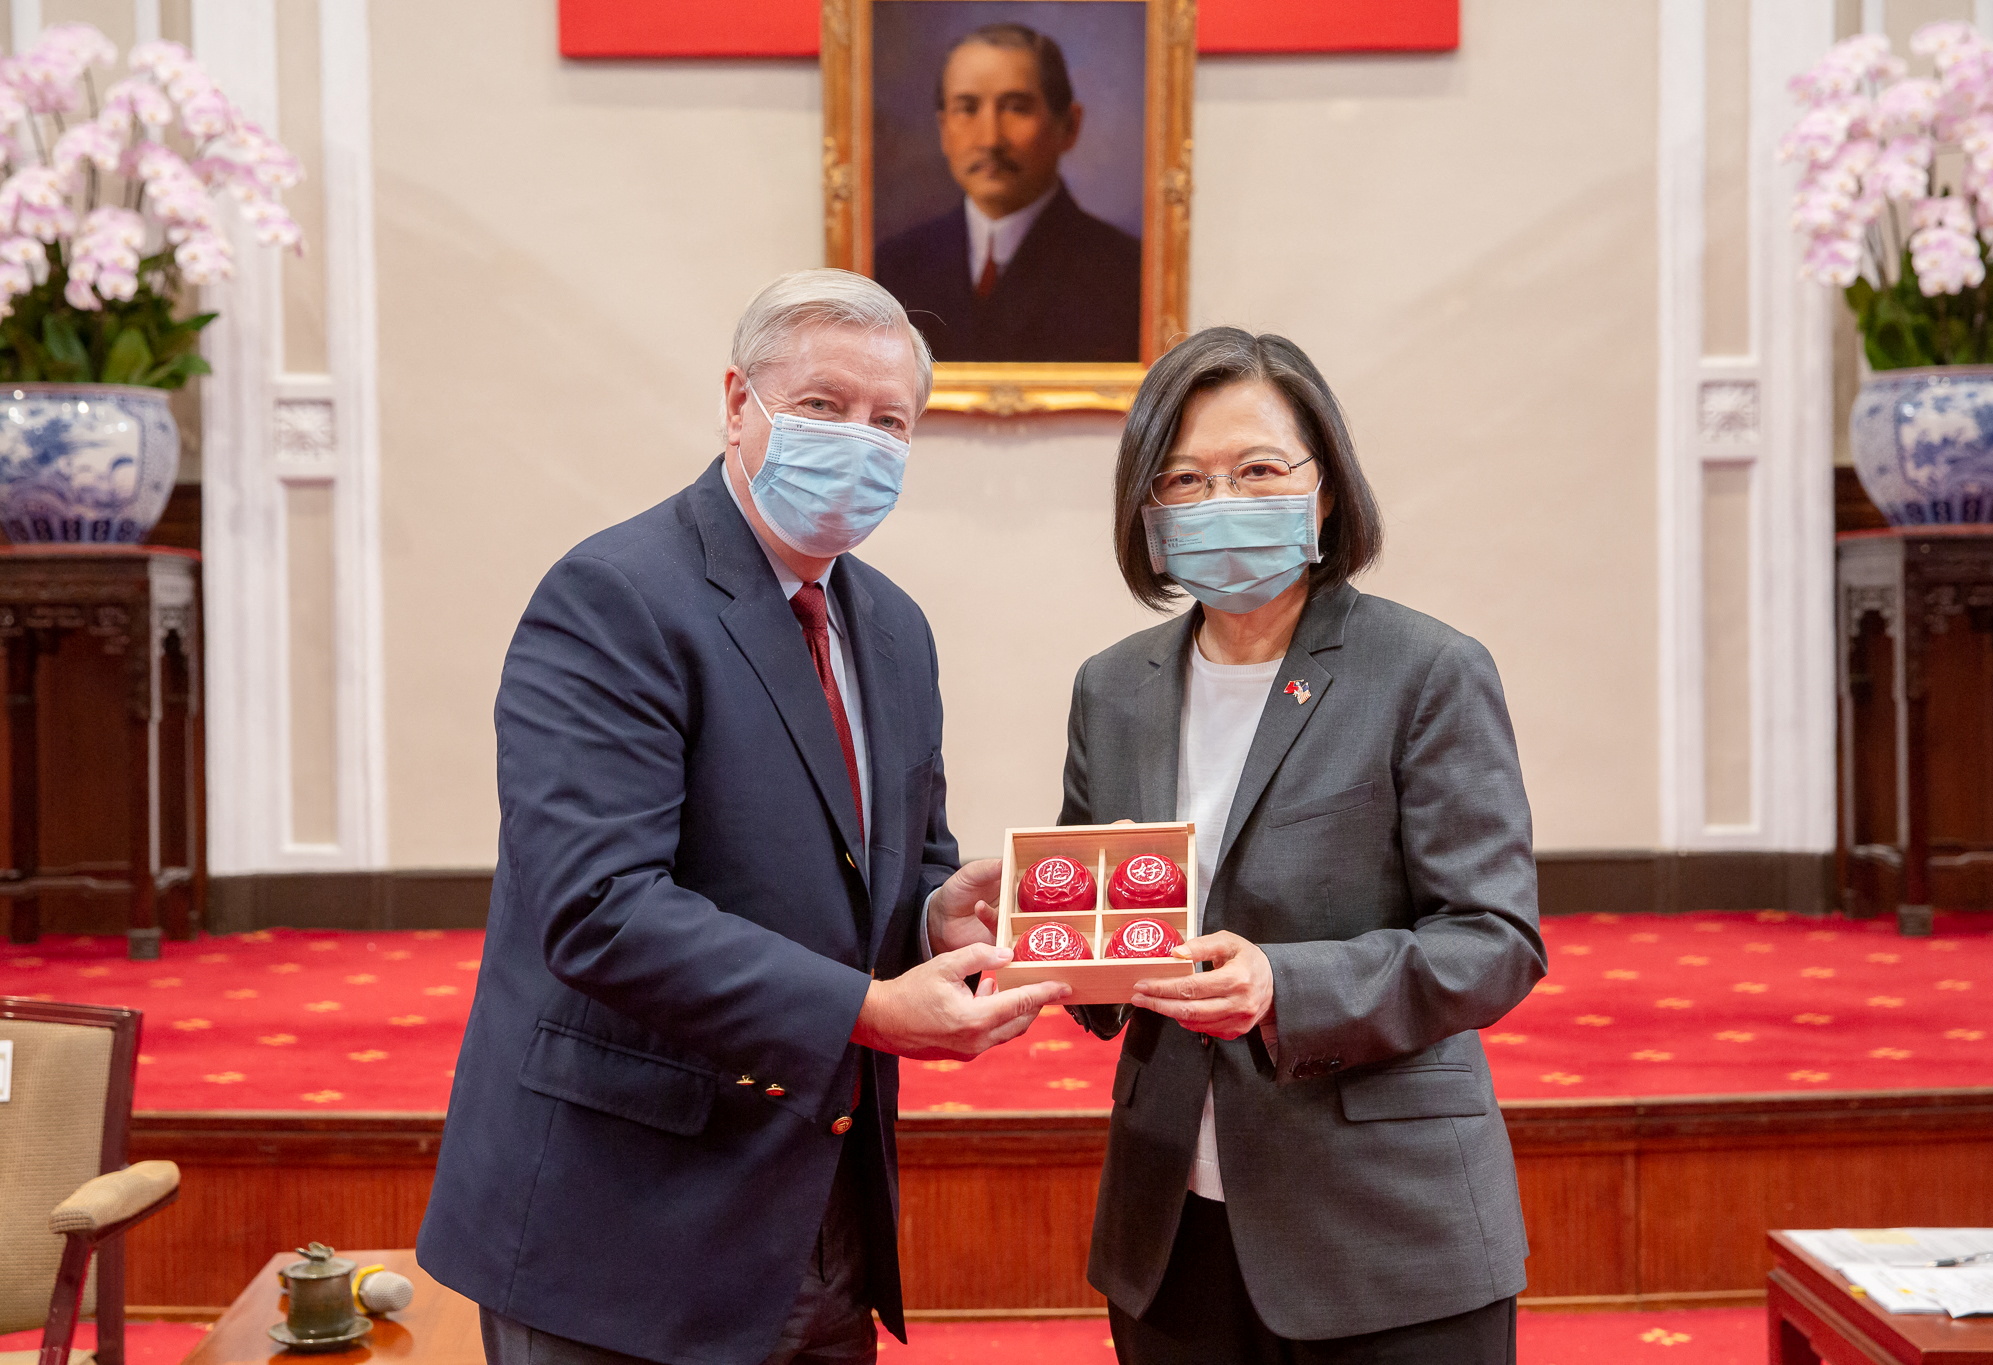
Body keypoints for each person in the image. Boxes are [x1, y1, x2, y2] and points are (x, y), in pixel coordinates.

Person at [417, 269, 1071, 1365]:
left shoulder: (894, 629)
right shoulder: (613, 597)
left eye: (889, 423)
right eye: (821, 407)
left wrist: (932, 921)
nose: (857, 443)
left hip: (821, 1211)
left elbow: (883, 869)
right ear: (736, 404)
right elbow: (599, 911)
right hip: (623, 1229)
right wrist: (867, 1009)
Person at [1063, 328, 1545, 1363]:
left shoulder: (1423, 672)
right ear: (1146, 511)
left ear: (1321, 491)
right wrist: (1044, 936)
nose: (1219, 499)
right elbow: (1100, 942)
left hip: (1382, 1234)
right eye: (1183, 478)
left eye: (1257, 471)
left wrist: (1283, 986)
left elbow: (1493, 941)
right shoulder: (1112, 687)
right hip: (1168, 1226)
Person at [873, 22, 1141, 363]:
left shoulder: (1124, 274)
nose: (990, 139)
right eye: (967, 108)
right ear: (944, 130)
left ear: (1068, 126)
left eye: (1016, 107)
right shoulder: (895, 267)